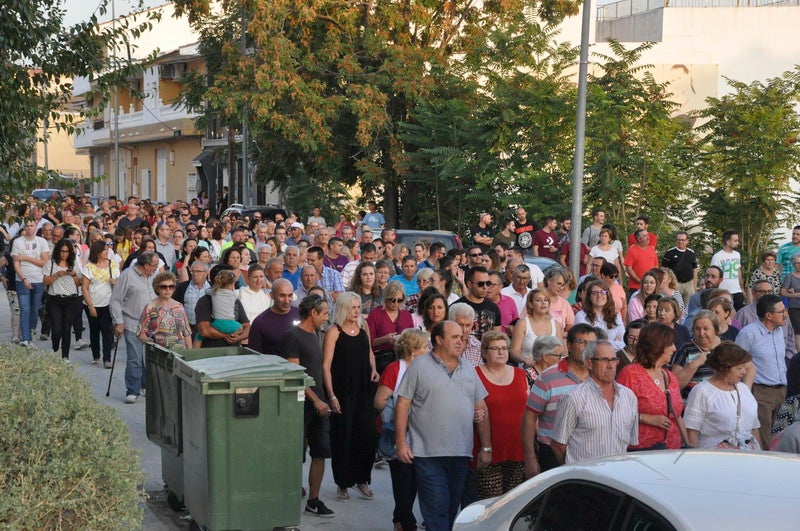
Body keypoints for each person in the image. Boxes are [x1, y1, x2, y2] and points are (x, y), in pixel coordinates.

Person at [394, 321, 491, 531]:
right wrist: (401, 443)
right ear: (438, 340)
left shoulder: (468, 368)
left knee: (449, 508)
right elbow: (402, 404)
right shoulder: (419, 366)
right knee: (436, 507)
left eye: (462, 337)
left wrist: (486, 447)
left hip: (461, 452)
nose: (461, 341)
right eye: (455, 337)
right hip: (427, 453)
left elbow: (481, 407)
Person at [279, 294, 335, 518]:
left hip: (319, 403)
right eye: (324, 313)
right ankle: (288, 496)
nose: (326, 318)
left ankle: (314, 499)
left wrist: (328, 397)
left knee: (320, 453)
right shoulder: (292, 337)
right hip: (300, 405)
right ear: (313, 312)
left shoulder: (316, 334)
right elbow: (295, 376)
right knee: (295, 455)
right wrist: (316, 400)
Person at [322, 292, 380, 502]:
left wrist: (373, 369)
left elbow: (370, 352)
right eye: (353, 307)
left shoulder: (363, 327)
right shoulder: (334, 331)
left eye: (358, 307)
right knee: (343, 437)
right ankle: (343, 483)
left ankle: (362, 479)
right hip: (343, 392)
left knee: (366, 436)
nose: (357, 311)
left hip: (364, 390)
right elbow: (326, 365)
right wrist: (331, 395)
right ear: (344, 308)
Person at [522, 324, 597, 477]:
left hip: (591, 454)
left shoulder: (599, 376)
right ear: (568, 345)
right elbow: (529, 418)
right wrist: (530, 457)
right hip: (552, 455)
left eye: (591, 343)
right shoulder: (548, 377)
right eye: (581, 342)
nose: (587, 347)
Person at [374, 328, 430, 531]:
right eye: (425, 346)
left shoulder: (428, 368)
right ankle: (406, 523)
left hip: (422, 434)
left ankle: (400, 518)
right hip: (400, 434)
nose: (428, 350)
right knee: (403, 480)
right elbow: (379, 401)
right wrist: (399, 413)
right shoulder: (395, 369)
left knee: (414, 480)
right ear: (413, 350)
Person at [551, 340, 638, 464]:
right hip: (586, 478)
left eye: (613, 360)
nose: (611, 365)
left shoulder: (629, 396)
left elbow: (630, 444)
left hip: (619, 476)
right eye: (604, 360)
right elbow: (558, 444)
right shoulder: (573, 398)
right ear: (589, 363)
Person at [616, 323, 688, 450]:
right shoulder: (630, 374)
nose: (675, 348)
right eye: (670, 344)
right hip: (641, 454)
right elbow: (616, 413)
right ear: (658, 345)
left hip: (672, 452)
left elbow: (678, 417)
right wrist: (645, 418)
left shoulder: (670, 377)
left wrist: (687, 444)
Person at [473, 331, 528, 499]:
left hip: (519, 449)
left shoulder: (520, 374)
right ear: (484, 353)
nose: (501, 352)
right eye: (495, 348)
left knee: (514, 502)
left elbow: (529, 412)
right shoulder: (474, 374)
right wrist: (486, 448)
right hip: (488, 450)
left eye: (504, 348)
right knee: (491, 504)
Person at [684, 342, 761, 450]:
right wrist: (695, 458)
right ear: (725, 368)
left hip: (749, 457)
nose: (744, 372)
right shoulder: (702, 391)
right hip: (715, 457)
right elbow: (691, 430)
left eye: (744, 367)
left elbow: (755, 428)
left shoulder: (744, 390)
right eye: (739, 368)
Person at [736, 294, 789, 446]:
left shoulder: (779, 330)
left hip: (781, 391)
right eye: (781, 311)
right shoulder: (748, 333)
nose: (785, 314)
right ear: (769, 315)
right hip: (761, 392)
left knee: (781, 435)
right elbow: (738, 363)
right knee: (764, 437)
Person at [110, 252, 159, 404]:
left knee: (149, 358)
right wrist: (118, 322)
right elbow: (115, 300)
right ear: (146, 265)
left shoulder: (154, 274)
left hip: (153, 323)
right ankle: (132, 390)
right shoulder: (127, 275)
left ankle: (145, 384)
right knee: (135, 358)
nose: (157, 267)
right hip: (133, 322)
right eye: (155, 265)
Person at [11, 218, 51, 346]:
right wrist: (23, 278)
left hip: (38, 280)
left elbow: (43, 262)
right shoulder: (17, 242)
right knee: (24, 310)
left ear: (36, 226)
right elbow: (16, 262)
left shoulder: (42, 242)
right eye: (27, 225)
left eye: (31, 225)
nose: (29, 227)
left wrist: (25, 257)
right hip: (22, 279)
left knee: (35, 310)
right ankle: (25, 339)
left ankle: (30, 334)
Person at [42, 239, 83, 360]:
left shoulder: (74, 263)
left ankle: (65, 357)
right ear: (58, 251)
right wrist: (57, 275)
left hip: (71, 299)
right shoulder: (51, 263)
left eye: (67, 251)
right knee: (56, 329)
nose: (64, 254)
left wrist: (74, 275)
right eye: (62, 251)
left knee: (66, 329)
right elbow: (45, 281)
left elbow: (79, 283)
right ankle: (55, 348)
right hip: (54, 299)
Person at [82, 240, 119, 367]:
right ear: (97, 252)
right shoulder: (89, 267)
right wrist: (90, 305)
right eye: (104, 249)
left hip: (108, 303)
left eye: (108, 248)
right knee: (94, 330)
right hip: (92, 302)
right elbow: (84, 287)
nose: (107, 251)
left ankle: (107, 358)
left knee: (107, 330)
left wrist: (115, 281)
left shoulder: (112, 265)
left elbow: (119, 283)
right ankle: (96, 355)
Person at [367, 281, 414, 374]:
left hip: (403, 361)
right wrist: (385, 339)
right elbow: (368, 342)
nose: (396, 303)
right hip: (382, 362)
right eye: (392, 300)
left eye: (399, 300)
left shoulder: (406, 315)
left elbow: (412, 340)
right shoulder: (375, 314)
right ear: (385, 298)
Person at [137, 271, 193, 349]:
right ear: (157, 288)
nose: (168, 289)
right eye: (163, 287)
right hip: (158, 353)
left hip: (180, 353)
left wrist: (190, 352)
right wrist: (152, 343)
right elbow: (140, 334)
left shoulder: (179, 306)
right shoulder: (150, 307)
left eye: (171, 286)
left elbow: (186, 332)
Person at [510, 288, 563, 366]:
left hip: (551, 370)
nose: (543, 303)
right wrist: (524, 359)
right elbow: (514, 351)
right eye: (538, 300)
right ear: (530, 304)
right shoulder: (522, 323)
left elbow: (562, 350)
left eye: (546, 300)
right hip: (528, 369)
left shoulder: (555, 324)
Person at [247, 278, 298, 355]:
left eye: (290, 295)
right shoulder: (260, 322)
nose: (287, 301)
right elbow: (254, 355)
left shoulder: (301, 314)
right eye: (282, 296)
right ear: (272, 295)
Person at [196, 269, 242, 346]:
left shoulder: (214, 292)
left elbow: (206, 291)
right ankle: (236, 340)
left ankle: (194, 352)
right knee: (240, 328)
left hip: (218, 323)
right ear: (231, 285)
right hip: (233, 325)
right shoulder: (234, 295)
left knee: (200, 334)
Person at [455, 266, 502, 342]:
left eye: (488, 283)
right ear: (469, 284)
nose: (485, 287)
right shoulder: (456, 307)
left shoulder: (493, 308)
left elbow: (496, 337)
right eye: (481, 284)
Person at [575, 280, 625, 350]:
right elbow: (586, 344)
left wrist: (598, 343)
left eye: (603, 292)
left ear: (608, 295)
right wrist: (613, 343)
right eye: (595, 293)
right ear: (589, 297)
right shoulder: (581, 316)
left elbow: (623, 343)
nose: (599, 295)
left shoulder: (616, 317)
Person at [173, 260, 211, 338]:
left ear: (206, 273)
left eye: (198, 271)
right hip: (188, 329)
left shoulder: (212, 288)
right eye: (193, 271)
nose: (195, 274)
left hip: (207, 328)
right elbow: (175, 306)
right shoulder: (183, 287)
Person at [711, 230, 745, 310]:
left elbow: (738, 271)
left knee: (739, 315)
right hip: (723, 292)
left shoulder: (737, 255)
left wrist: (742, 287)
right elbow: (713, 274)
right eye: (735, 240)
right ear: (728, 242)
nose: (738, 243)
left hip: (737, 291)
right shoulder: (717, 256)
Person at [662, 231, 698, 304]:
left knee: (688, 307)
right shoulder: (669, 253)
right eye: (678, 240)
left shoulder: (691, 253)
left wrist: (694, 286)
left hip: (689, 284)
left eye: (683, 240)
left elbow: (695, 270)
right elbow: (663, 269)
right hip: (675, 284)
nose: (680, 242)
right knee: (675, 305)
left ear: (687, 241)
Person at [623, 230, 659, 296]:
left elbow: (656, 266)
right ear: (639, 239)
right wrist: (640, 281)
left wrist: (654, 281)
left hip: (651, 287)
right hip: (635, 287)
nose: (648, 237)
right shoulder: (631, 250)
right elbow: (628, 269)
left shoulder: (652, 249)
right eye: (645, 236)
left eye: (648, 235)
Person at [781, 254, 800, 336]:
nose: (798, 265)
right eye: (796, 263)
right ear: (793, 264)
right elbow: (783, 292)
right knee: (797, 332)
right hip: (795, 307)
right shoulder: (789, 276)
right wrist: (797, 295)